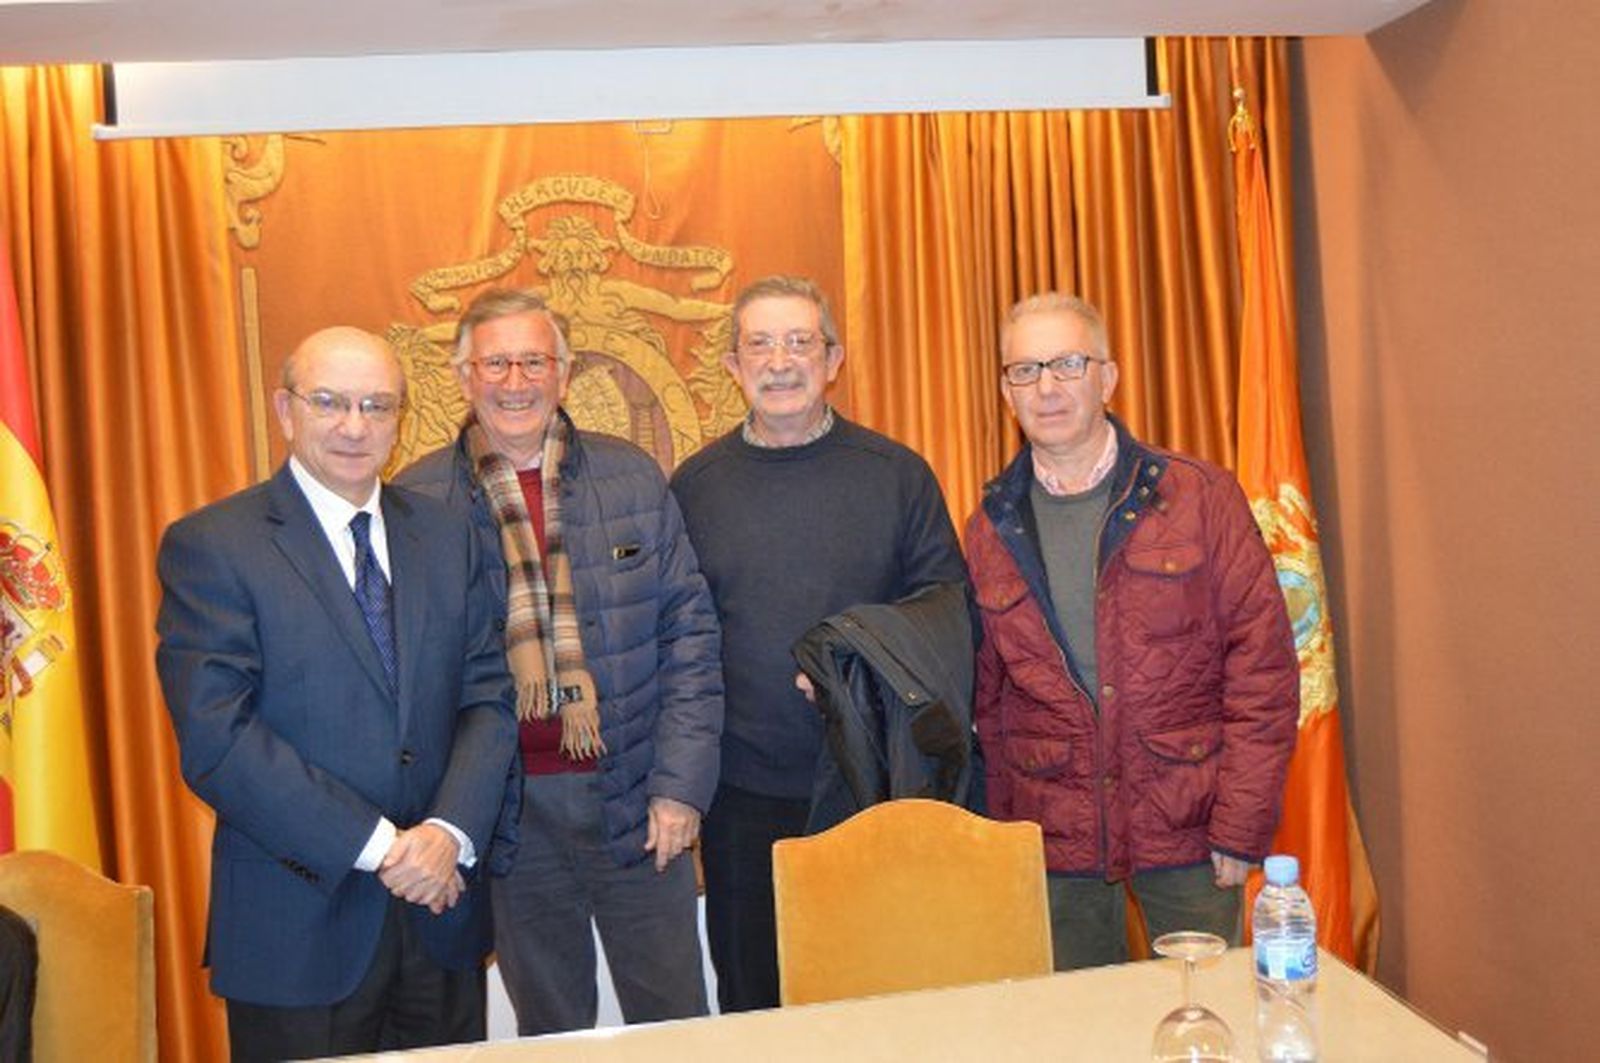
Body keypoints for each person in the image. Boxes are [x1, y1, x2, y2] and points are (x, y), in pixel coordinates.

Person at [155, 327, 517, 1060]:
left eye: (376, 405)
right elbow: (218, 739)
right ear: (286, 410)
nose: (355, 426)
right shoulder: (214, 544)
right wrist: (387, 849)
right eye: (330, 402)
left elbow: (489, 696)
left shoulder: (450, 536)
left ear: (400, 418)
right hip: (298, 929)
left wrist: (447, 834)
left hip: (439, 917)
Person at [396, 289, 722, 1035]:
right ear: (463, 374)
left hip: (638, 802)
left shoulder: (632, 476)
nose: (516, 381)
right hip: (511, 819)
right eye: (497, 362)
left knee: (679, 1025)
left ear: (565, 372)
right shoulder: (417, 500)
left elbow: (690, 636)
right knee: (553, 1031)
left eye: (534, 361)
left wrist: (680, 787)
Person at [966, 292, 1300, 970]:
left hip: (1190, 826)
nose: (1048, 387)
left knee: (1205, 1018)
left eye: (1066, 363)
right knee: (1077, 1034)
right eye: (1024, 371)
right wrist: (1008, 841)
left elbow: (1262, 670)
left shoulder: (1200, 497)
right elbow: (990, 706)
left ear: (1107, 378)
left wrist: (1241, 824)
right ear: (1006, 390)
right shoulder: (987, 526)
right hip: (1054, 836)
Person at [669, 274, 967, 1011]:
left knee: (879, 996)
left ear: (833, 359)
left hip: (877, 786)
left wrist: (855, 665)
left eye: (800, 341)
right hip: (743, 798)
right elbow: (676, 634)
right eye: (760, 344)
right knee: (755, 999)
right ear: (733, 367)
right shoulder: (696, 486)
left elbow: (948, 610)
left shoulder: (897, 475)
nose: (780, 361)